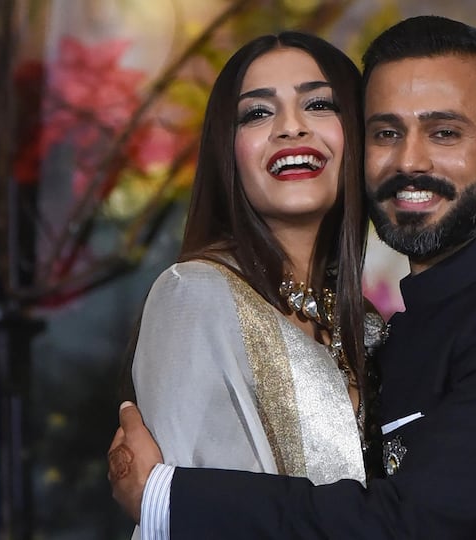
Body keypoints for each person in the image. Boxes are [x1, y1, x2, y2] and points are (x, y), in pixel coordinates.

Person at [111, 16, 476, 539]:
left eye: (445, 132)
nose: (409, 160)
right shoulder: (390, 329)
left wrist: (168, 497)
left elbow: (408, 526)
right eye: (387, 132)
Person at [117, 31, 385, 538]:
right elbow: (189, 517)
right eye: (257, 114)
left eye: (319, 104)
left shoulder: (368, 328)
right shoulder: (194, 295)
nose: (291, 127)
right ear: (228, 153)